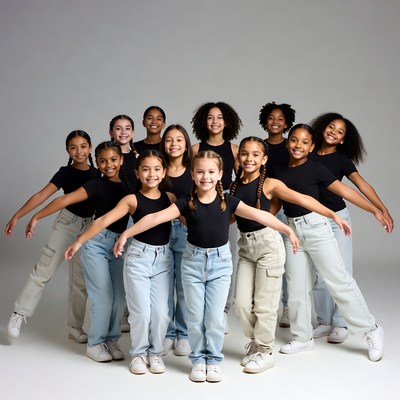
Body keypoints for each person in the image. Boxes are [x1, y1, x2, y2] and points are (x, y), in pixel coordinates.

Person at [83, 150, 299, 383]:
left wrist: (286, 229)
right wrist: (126, 233)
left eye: (211, 172)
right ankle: (198, 360)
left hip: (220, 264)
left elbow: (259, 214)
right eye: (200, 172)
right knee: (195, 317)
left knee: (215, 318)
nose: (205, 176)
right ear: (193, 176)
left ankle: (213, 360)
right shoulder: (187, 202)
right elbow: (155, 218)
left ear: (220, 174)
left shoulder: (229, 201)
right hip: (193, 263)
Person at [230, 136, 352, 373]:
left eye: (256, 154)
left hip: (268, 246)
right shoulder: (234, 186)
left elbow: (301, 198)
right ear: (238, 156)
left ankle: (265, 351)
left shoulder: (271, 184)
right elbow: (232, 216)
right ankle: (257, 342)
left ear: (264, 159)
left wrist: (332, 214)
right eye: (244, 153)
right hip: (245, 247)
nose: (249, 159)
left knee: (265, 305)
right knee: (242, 304)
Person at [273, 124, 390, 362]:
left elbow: (347, 192)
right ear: (287, 143)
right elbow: (275, 205)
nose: (298, 145)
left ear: (311, 147)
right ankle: (302, 337)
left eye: (304, 142)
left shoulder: (317, 169)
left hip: (316, 228)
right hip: (292, 230)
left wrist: (375, 211)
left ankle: (371, 330)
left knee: (338, 280)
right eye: (294, 140)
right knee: (296, 286)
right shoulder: (278, 171)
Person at [66, 149, 177, 375]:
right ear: (137, 172)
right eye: (145, 169)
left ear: (164, 172)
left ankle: (155, 353)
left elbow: (191, 216)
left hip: (163, 259)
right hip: (138, 257)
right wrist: (79, 241)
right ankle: (138, 354)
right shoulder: (131, 199)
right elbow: (104, 220)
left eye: (157, 169)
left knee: (162, 312)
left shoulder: (170, 199)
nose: (151, 174)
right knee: (141, 312)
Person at [26, 141, 132, 363]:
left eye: (113, 159)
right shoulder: (95, 185)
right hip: (96, 244)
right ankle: (95, 344)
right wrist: (36, 216)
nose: (108, 165)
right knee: (102, 296)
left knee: (119, 297)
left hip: (118, 246)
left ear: (121, 160)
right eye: (102, 161)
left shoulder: (130, 185)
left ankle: (111, 339)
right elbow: (64, 199)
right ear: (98, 162)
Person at [309, 112, 394, 344]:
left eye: (340, 132)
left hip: (338, 218)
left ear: (343, 140)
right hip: (314, 218)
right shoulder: (307, 152)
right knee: (319, 273)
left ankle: (340, 323)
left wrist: (382, 210)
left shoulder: (341, 160)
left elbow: (361, 185)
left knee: (341, 271)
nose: (334, 132)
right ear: (322, 127)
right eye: (331, 127)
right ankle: (325, 321)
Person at [5, 130, 97, 342]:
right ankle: (19, 313)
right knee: (43, 270)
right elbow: (42, 195)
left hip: (89, 227)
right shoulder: (65, 173)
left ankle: (75, 327)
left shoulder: (97, 173)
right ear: (67, 150)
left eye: (83, 146)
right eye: (73, 147)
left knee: (79, 281)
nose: (79, 151)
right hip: (67, 224)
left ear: (90, 148)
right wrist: (19, 216)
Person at [191, 101, 242, 333]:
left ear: (227, 121)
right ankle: (198, 308)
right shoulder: (194, 149)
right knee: (196, 253)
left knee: (225, 256)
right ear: (204, 121)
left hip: (224, 205)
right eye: (210, 117)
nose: (215, 121)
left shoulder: (234, 149)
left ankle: (221, 310)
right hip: (199, 203)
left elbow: (243, 178)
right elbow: (185, 177)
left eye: (219, 117)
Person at [258, 101, 296, 328]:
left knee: (288, 261)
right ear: (265, 121)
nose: (275, 122)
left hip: (284, 210)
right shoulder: (258, 146)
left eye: (280, 118)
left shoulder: (291, 146)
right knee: (264, 260)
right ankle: (263, 306)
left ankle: (288, 307)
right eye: (271, 118)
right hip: (261, 209)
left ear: (287, 123)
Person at [159, 125, 193, 357]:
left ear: (186, 143)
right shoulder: (156, 169)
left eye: (179, 139)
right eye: (169, 140)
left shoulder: (193, 171)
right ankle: (168, 333)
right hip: (158, 232)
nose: (174, 144)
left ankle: (183, 334)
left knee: (182, 286)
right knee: (163, 287)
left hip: (184, 230)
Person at [109, 114, 138, 332]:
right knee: (116, 263)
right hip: (113, 214)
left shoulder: (137, 157)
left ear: (133, 133)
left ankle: (129, 311)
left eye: (127, 128)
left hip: (134, 214)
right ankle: (116, 312)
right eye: (118, 129)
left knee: (131, 263)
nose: (123, 132)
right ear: (111, 132)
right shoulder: (108, 157)